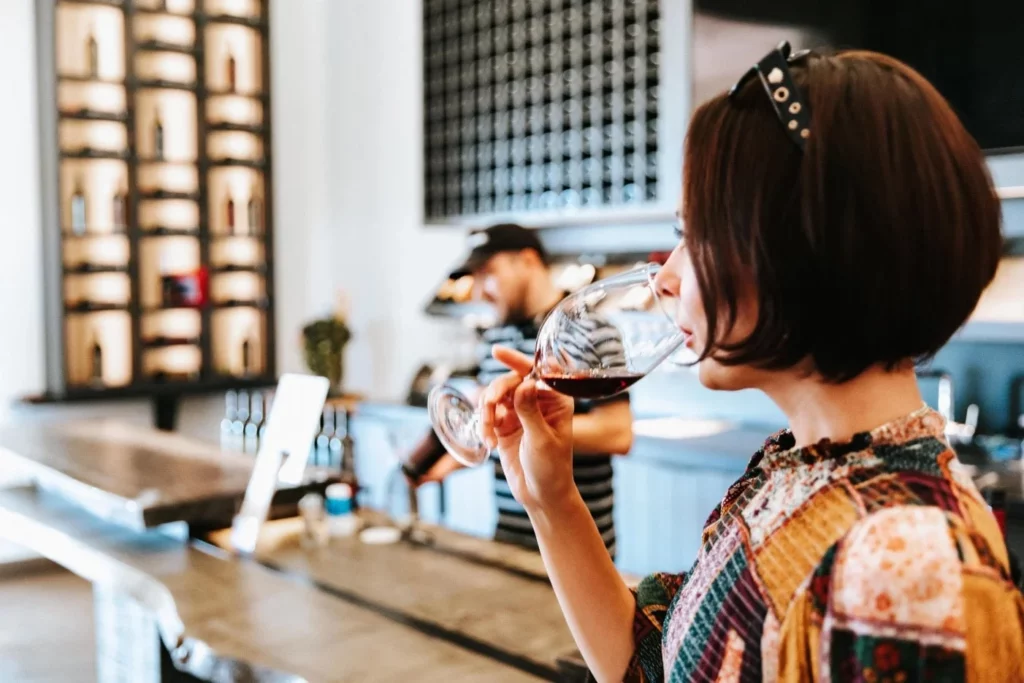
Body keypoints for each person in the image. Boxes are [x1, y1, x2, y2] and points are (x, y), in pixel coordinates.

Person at [478, 44, 1024, 682]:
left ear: (804, 246)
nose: (669, 276)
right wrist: (551, 499)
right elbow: (652, 666)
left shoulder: (901, 565)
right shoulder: (800, 467)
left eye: (695, 234)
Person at [406, 223, 634, 556]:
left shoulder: (593, 331)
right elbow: (499, 431)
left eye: (489, 273)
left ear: (527, 261)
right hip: (509, 536)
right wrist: (449, 464)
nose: (481, 290)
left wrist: (528, 424)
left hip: (580, 542)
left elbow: (617, 433)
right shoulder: (495, 339)